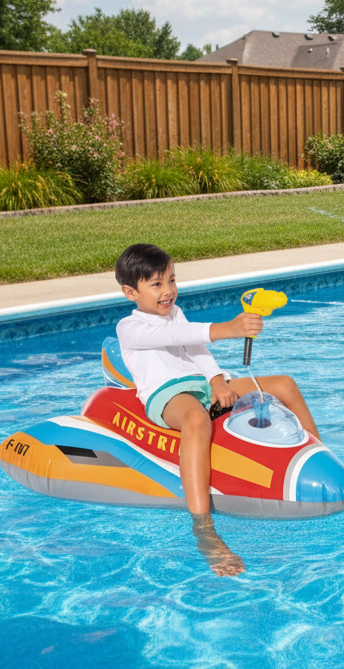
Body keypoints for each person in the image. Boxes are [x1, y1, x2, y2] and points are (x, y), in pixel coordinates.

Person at [115, 243, 322, 576]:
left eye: (172, 280)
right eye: (156, 284)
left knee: (285, 385)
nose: (168, 291)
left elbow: (195, 348)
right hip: (166, 394)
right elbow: (176, 335)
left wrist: (217, 382)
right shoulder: (129, 328)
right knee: (197, 420)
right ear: (130, 293)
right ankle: (204, 529)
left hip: (199, 384)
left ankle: (321, 458)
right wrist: (230, 329)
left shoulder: (175, 312)